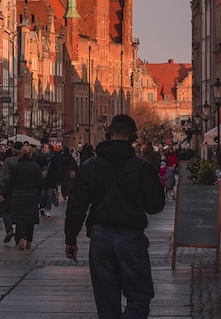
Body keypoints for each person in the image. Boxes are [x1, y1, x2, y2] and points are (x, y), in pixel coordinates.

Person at [64, 114, 165, 319]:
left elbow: (77, 205)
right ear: (133, 137)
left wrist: (70, 238)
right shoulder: (141, 167)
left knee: (106, 302)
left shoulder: (90, 166)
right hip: (131, 235)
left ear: (108, 135)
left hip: (100, 236)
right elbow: (155, 206)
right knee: (139, 297)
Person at [7, 145, 43, 250]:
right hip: (31, 195)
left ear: (21, 154)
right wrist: (37, 191)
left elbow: (11, 182)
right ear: (31, 154)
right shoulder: (35, 166)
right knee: (30, 219)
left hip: (19, 195)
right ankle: (29, 241)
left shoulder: (16, 166)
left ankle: (21, 238)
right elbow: (41, 182)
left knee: (20, 219)